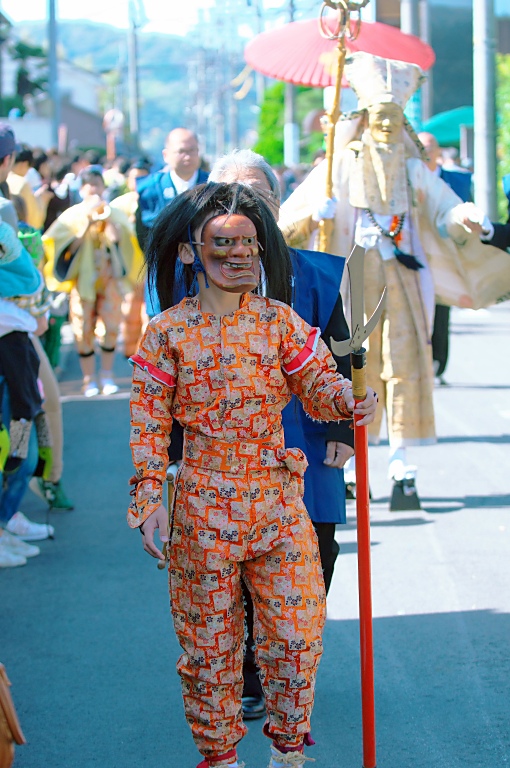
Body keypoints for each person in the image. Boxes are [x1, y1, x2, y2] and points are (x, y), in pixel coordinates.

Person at [128, 182, 377, 768]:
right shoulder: (166, 334)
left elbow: (321, 387)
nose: (240, 255)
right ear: (191, 251)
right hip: (202, 513)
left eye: (250, 244)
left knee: (296, 636)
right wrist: (149, 499)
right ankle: (220, 758)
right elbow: (146, 427)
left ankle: (288, 751)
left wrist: (351, 401)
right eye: (223, 244)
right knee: (209, 652)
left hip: (278, 504)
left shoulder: (280, 323)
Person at [279, 51, 510, 501]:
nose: (387, 124)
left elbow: (443, 204)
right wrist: (315, 211)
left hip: (400, 279)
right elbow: (290, 218)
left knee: (403, 365)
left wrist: (468, 216)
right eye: (380, 115)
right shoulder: (341, 163)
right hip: (352, 278)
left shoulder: (410, 166)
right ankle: (349, 458)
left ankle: (402, 459)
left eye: (394, 115)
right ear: (366, 118)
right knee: (350, 366)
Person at [209, 148, 353, 717]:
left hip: (308, 434)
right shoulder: (191, 277)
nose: (248, 211)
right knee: (237, 562)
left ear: (277, 203)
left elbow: (344, 352)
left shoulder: (318, 272)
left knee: (318, 549)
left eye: (260, 197)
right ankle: (250, 673)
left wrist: (340, 422)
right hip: (225, 443)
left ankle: (289, 658)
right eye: (231, 199)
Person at [42, 166, 134, 396]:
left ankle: (107, 375)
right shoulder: (72, 215)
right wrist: (87, 224)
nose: (93, 189)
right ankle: (87, 379)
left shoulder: (113, 212)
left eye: (97, 184)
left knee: (111, 326)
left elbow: (121, 241)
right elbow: (61, 247)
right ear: (82, 188)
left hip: (108, 278)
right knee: (82, 329)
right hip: (82, 282)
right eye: (89, 184)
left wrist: (108, 218)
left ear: (103, 187)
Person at [418, 131, 474, 385]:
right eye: (421, 146)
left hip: (446, 256)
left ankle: (438, 365)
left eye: (430, 146)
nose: (426, 151)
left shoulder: (459, 181)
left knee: (442, 312)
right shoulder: (409, 179)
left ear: (439, 151)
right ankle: (421, 365)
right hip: (415, 258)